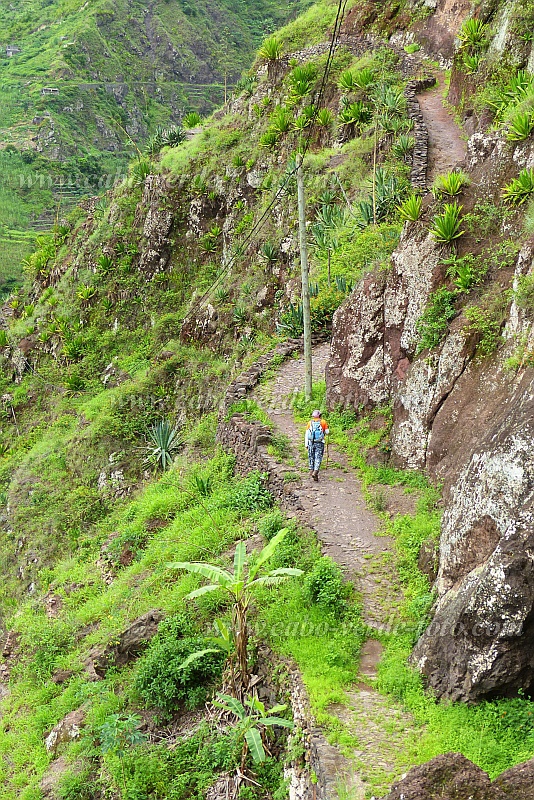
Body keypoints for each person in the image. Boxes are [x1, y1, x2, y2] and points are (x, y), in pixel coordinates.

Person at [305, 409, 329, 481]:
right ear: (320, 415)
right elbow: (327, 432)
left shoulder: (310, 423)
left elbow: (307, 434)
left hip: (311, 442)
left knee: (311, 456)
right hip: (320, 442)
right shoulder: (323, 422)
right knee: (318, 457)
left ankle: (311, 469)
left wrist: (306, 444)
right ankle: (315, 471)